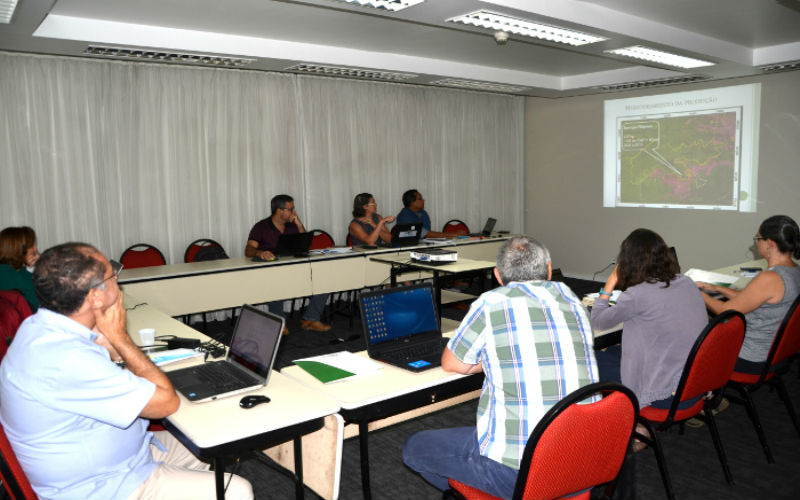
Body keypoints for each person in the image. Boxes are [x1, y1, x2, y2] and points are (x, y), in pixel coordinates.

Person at [0, 243, 252, 500]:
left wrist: (107, 344)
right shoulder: (68, 359)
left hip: (121, 456)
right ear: (95, 297)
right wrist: (120, 338)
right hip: (102, 486)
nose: (118, 282)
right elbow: (166, 403)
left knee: (211, 441)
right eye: (113, 275)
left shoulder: (38, 328)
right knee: (237, 491)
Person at [402, 236, 599, 499]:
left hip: (524, 474)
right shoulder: (571, 299)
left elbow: (452, 363)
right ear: (549, 270)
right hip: (586, 463)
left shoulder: (491, 302)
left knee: (415, 447)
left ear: (497, 275)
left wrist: (491, 359)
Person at [591, 228, 708, 409]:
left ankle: (621, 418)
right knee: (614, 350)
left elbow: (598, 321)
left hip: (665, 394)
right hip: (694, 383)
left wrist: (610, 283)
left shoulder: (637, 294)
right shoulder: (687, 282)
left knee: (590, 359)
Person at [697, 215, 800, 374]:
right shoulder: (794, 270)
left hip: (751, 357)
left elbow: (725, 311)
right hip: (775, 352)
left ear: (770, 244)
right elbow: (751, 299)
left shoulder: (769, 278)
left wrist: (698, 294)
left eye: (758, 239)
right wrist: (718, 288)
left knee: (693, 340)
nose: (756, 243)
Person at [245, 194, 331, 333]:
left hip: (294, 266)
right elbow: (248, 250)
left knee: (323, 282)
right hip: (272, 269)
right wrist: (260, 252)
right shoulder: (261, 227)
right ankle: (279, 323)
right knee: (274, 285)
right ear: (279, 211)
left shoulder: (292, 225)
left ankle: (310, 319)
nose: (293, 212)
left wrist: (299, 224)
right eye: (290, 209)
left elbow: (305, 244)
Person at [0, 226, 40, 312]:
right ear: (20, 249)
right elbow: (39, 307)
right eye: (32, 245)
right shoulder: (19, 277)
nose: (36, 249)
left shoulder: (9, 271)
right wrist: (37, 267)